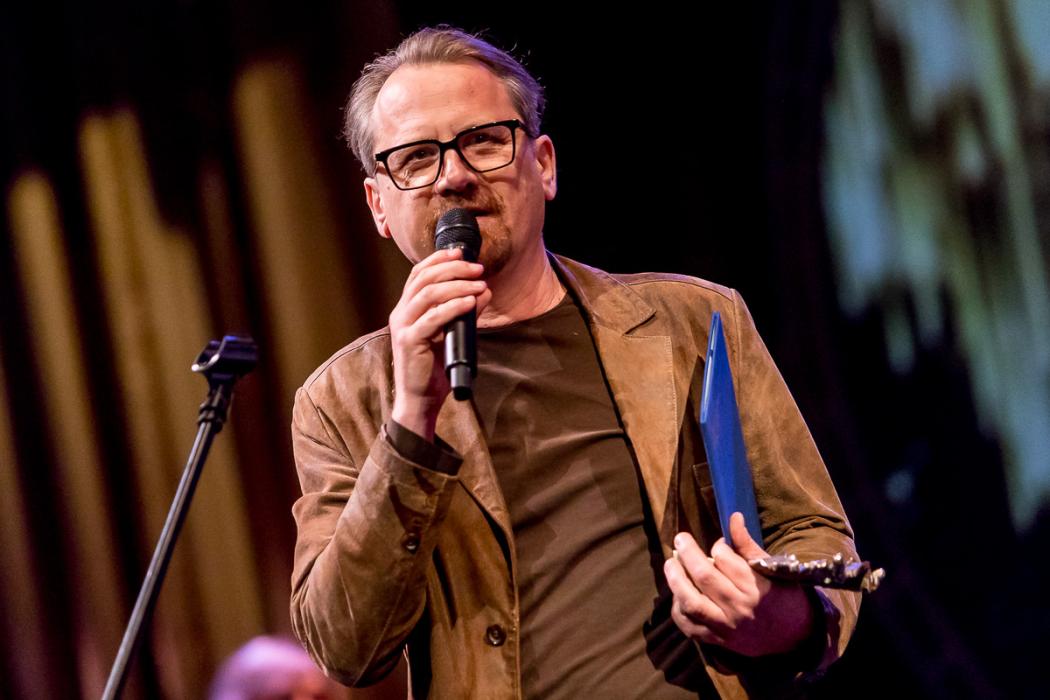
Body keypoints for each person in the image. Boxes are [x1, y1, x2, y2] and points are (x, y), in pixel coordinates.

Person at [290, 26, 860, 699]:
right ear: (378, 205)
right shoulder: (341, 401)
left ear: (545, 165)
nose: (455, 175)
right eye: (416, 158)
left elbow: (816, 536)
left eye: (484, 141)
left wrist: (776, 619)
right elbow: (344, 646)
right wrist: (411, 420)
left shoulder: (694, 322)